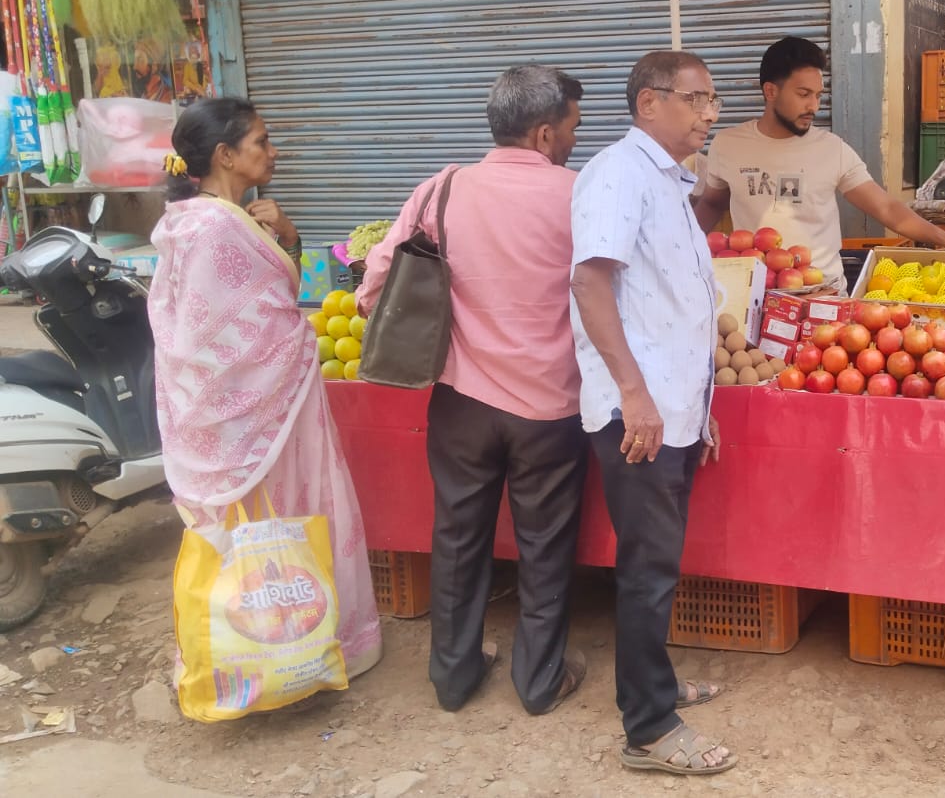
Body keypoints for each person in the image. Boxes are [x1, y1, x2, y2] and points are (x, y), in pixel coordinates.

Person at [357, 65, 590, 715]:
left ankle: (454, 678)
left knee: (458, 539)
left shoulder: (443, 188)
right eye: (572, 126)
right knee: (545, 547)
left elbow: (376, 283)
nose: (575, 137)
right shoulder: (579, 194)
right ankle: (539, 681)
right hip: (551, 406)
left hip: (460, 401)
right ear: (545, 132)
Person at [149, 98, 383, 682]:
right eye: (261, 141)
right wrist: (297, 345)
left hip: (231, 415)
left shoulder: (199, 220)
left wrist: (289, 234)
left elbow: (260, 306)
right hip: (255, 413)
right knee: (278, 521)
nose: (273, 151)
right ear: (226, 156)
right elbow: (236, 336)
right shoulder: (216, 229)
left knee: (253, 533)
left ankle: (260, 653)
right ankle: (291, 652)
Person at [569, 50, 736, 776]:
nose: (709, 113)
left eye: (712, 100)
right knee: (647, 568)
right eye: (695, 99)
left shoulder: (669, 181)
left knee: (658, 561)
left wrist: (699, 404)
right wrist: (636, 395)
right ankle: (647, 729)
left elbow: (672, 301)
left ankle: (655, 689)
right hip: (637, 413)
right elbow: (590, 281)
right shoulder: (618, 174)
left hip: (672, 408)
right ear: (648, 104)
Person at [693, 36, 945, 288]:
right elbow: (711, 204)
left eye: (818, 95)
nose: (813, 106)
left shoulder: (831, 149)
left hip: (823, 294)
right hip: (756, 292)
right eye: (803, 94)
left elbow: (887, 208)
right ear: (770, 91)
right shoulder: (728, 145)